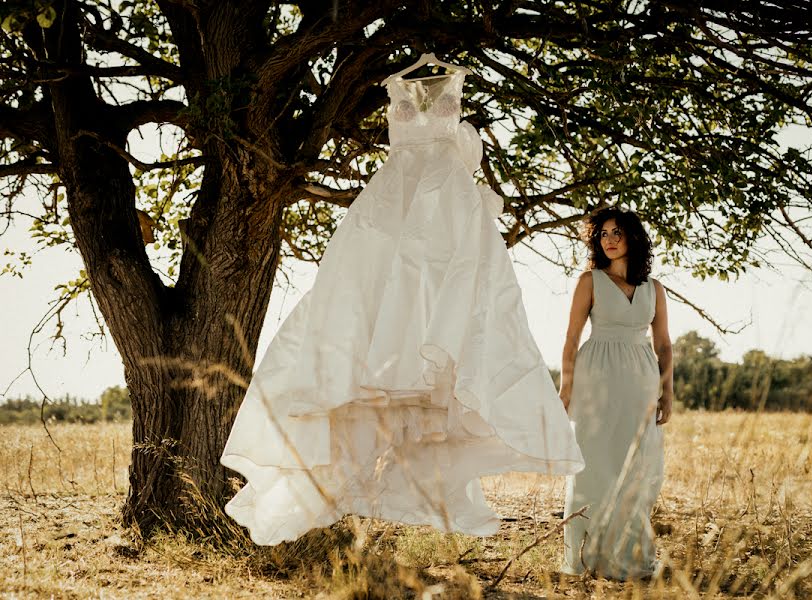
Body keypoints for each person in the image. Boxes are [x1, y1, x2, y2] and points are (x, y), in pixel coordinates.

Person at [219, 57, 583, 546]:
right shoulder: (396, 85)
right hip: (395, 198)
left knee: (437, 295)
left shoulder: (452, 81)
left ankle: (417, 403)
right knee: (375, 295)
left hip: (442, 202)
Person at [558, 206, 673, 579]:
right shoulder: (589, 281)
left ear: (633, 238)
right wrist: (566, 389)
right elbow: (572, 338)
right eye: (603, 233)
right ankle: (588, 556)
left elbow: (665, 345)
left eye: (617, 233)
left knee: (636, 468)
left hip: (640, 384)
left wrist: (667, 391)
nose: (609, 240)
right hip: (596, 381)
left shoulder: (654, 289)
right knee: (595, 464)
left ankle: (630, 556)